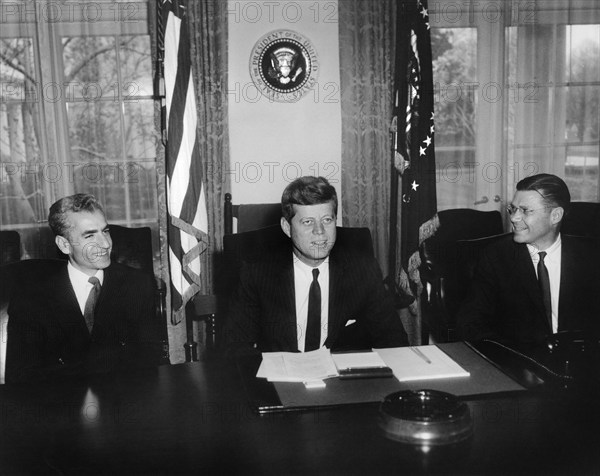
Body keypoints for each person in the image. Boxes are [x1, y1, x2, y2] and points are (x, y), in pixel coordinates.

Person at [224, 176, 409, 354]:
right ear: (287, 228)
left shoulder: (362, 270)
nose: (320, 232)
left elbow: (394, 341)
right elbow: (235, 348)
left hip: (342, 380)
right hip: (282, 380)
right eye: (307, 222)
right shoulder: (257, 274)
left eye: (327, 220)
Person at [5, 194, 161, 383]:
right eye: (90, 235)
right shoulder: (32, 297)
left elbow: (149, 365)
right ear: (64, 245)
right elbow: (21, 378)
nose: (105, 244)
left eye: (106, 231)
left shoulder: (137, 284)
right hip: (59, 405)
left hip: (122, 402)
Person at [457, 173, 600, 349]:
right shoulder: (496, 257)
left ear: (555, 216)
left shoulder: (591, 257)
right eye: (513, 209)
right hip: (518, 363)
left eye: (525, 210)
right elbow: (470, 324)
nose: (514, 218)